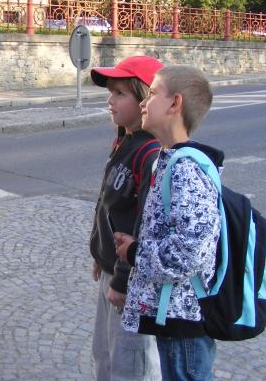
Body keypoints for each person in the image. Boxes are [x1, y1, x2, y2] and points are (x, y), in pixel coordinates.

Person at [115, 65, 222, 381]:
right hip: (173, 313)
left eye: (151, 94)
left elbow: (190, 252)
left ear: (175, 104)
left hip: (184, 320)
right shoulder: (170, 159)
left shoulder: (185, 170)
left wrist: (135, 253)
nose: (144, 102)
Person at [89, 56, 163, 381]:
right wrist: (99, 252)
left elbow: (145, 224)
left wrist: (121, 279)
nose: (110, 99)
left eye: (120, 93)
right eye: (111, 92)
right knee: (104, 356)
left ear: (144, 96)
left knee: (131, 365)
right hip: (112, 269)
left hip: (131, 282)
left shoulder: (151, 153)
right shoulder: (125, 140)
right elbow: (109, 204)